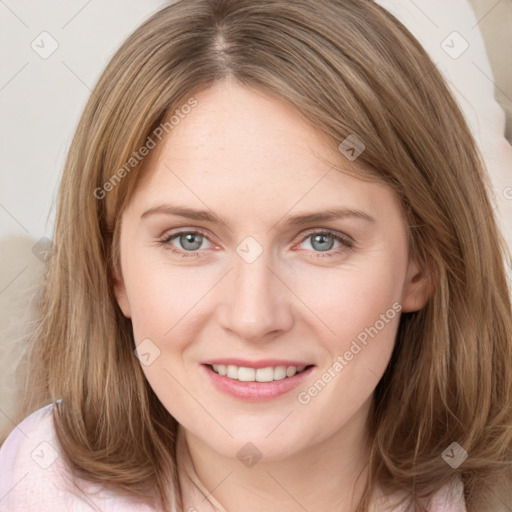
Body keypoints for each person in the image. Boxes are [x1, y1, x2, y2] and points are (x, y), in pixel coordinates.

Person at [1, 1, 511, 511]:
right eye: (189, 240)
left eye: (321, 240)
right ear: (115, 271)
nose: (252, 318)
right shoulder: (33, 483)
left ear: (419, 266)